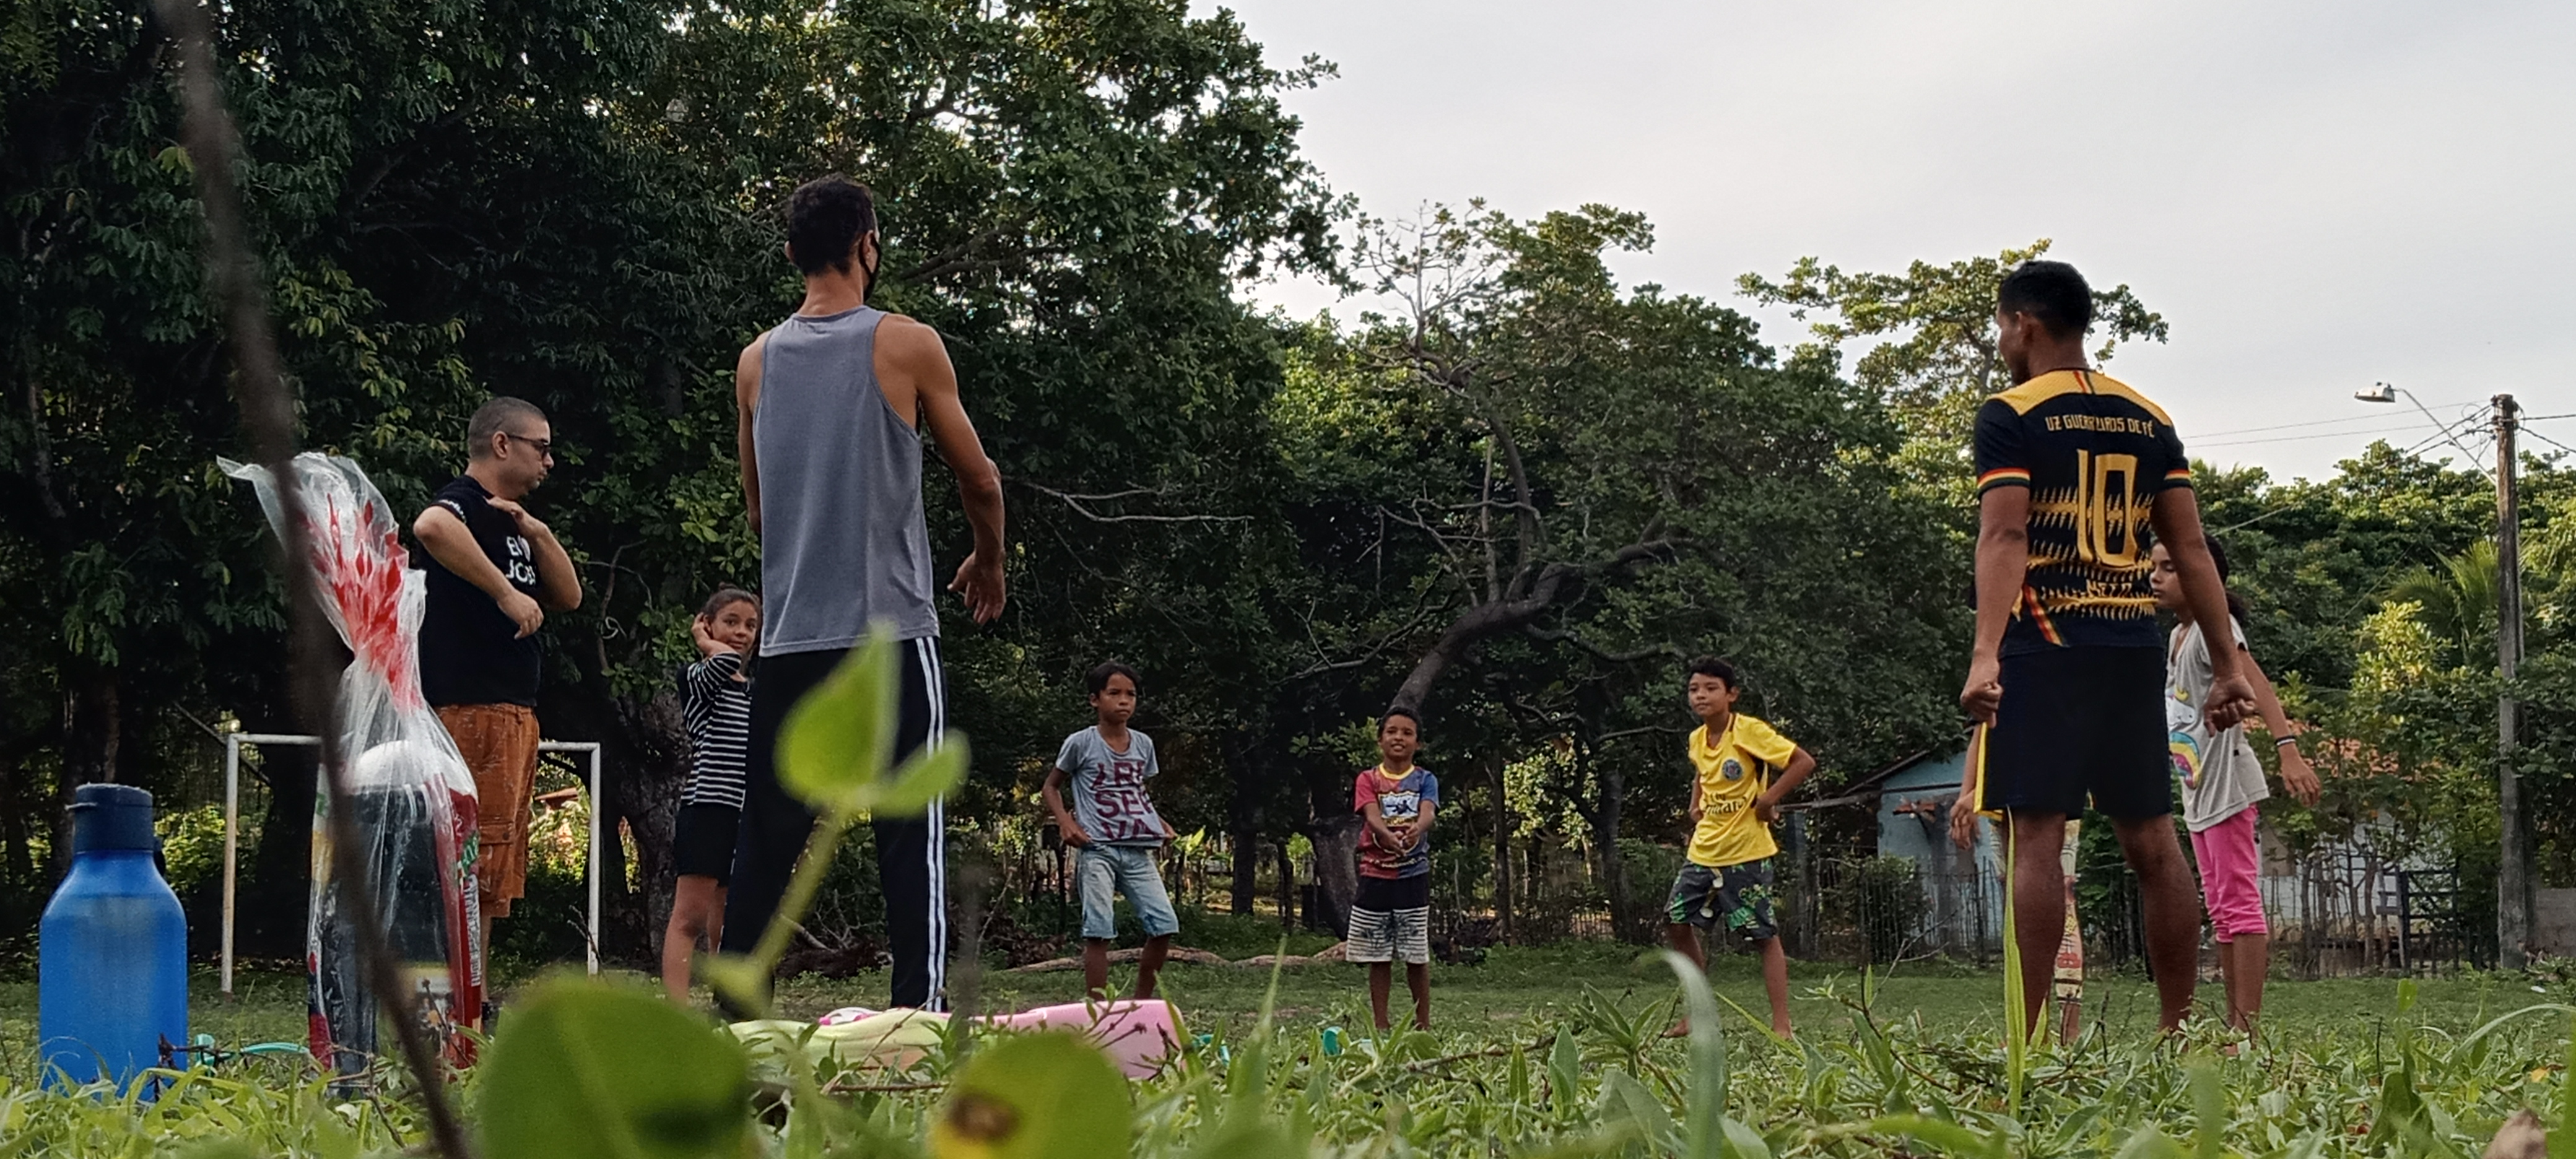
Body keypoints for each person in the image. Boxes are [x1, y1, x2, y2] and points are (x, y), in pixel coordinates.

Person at [728, 175, 1007, 1012]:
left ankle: (738, 1023)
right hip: (888, 634)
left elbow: (758, 512)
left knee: (765, 842)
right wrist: (988, 560)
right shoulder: (906, 343)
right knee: (907, 834)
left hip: (789, 639)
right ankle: (916, 1016)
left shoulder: (754, 362)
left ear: (792, 254)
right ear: (866, 246)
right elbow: (980, 480)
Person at [1959, 259, 2254, 1036]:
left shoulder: (2010, 413)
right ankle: (2176, 1027)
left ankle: (2028, 1037)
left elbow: (2005, 534)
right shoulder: (2147, 417)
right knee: (2152, 838)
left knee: (2036, 837)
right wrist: (2227, 667)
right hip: (2128, 644)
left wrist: (1985, 652)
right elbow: (2190, 549)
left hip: (2044, 643)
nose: (2001, 342)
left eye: (2001, 327)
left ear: (2022, 323)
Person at [413, 396, 581, 957]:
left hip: (512, 710)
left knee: (494, 869)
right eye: (542, 448)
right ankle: (456, 989)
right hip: (472, 705)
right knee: (472, 857)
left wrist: (540, 535)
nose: (549, 462)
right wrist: (505, 592)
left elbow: (569, 597)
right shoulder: (463, 502)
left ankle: (474, 990)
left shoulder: (513, 521)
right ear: (503, 444)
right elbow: (430, 525)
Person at [2149, 537, 2322, 1035]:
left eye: (2170, 568)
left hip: (2228, 787)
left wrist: (2288, 749)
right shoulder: (2179, 635)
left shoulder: (2215, 626)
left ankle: (2247, 1030)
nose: (2155, 577)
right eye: (2153, 567)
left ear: (2204, 577)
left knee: (2240, 907)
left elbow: (2256, 682)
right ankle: (2233, 1027)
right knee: (2221, 912)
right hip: (2198, 789)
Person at [1663, 656, 1814, 1039]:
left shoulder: (1748, 731)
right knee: (1675, 921)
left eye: (1710, 689)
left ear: (1731, 694)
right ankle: (1697, 1013)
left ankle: (1782, 1025)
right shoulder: (1697, 739)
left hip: (1746, 852)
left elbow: (1802, 762)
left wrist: (1768, 800)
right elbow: (1701, 773)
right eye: (1694, 689)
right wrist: (1695, 804)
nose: (1701, 696)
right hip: (1704, 851)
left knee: (1763, 936)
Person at [1041, 662, 1180, 1001]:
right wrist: (1065, 821)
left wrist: (1156, 820)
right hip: (1098, 848)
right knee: (1099, 931)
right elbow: (1051, 786)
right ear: (1095, 699)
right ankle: (1099, 1009)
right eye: (1114, 693)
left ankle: (1141, 1003)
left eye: (1131, 694)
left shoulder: (1143, 744)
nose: (1124, 701)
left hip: (1138, 849)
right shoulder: (1081, 743)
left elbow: (1135, 791)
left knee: (1164, 925)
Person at [663, 588, 759, 1002]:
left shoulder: (752, 690)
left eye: (750, 625)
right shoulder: (700, 678)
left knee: (729, 920)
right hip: (707, 809)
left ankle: (725, 1006)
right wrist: (704, 643)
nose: (741, 633)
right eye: (730, 622)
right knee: (690, 917)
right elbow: (723, 662)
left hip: (743, 813)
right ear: (707, 623)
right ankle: (677, 1013)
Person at [1351, 708, 1438, 1032]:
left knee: (1416, 954)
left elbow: (1428, 812)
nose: (1399, 738)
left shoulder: (1426, 780)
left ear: (1418, 743)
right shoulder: (1368, 779)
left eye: (1407, 733)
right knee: (1378, 954)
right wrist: (1386, 834)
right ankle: (1381, 1024)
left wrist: (1417, 828)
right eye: (1392, 731)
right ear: (1380, 740)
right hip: (1375, 874)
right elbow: (1371, 814)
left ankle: (1423, 1024)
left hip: (1413, 875)